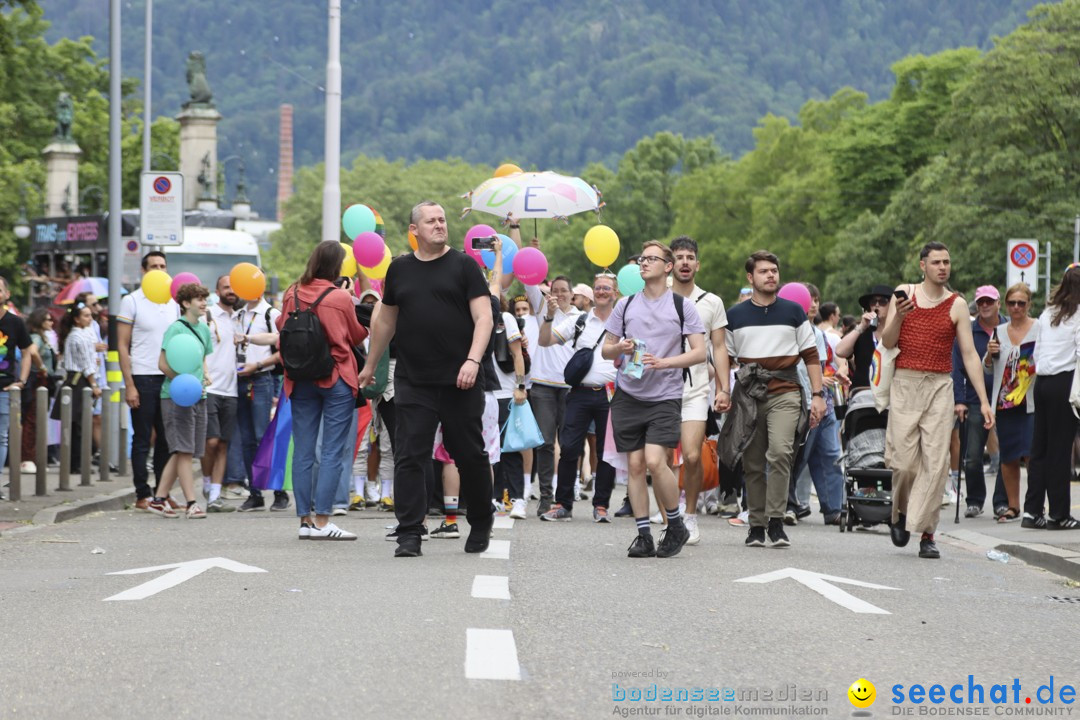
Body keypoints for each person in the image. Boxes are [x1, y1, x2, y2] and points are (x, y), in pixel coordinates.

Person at [360, 201, 494, 558]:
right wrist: (371, 364)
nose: (439, 225)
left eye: (442, 220)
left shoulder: (465, 266)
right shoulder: (400, 269)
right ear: (414, 230)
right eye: (431, 221)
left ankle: (481, 520)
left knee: (468, 454)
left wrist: (472, 360)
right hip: (414, 378)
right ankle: (409, 532)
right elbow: (385, 321)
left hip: (460, 380)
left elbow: (484, 319)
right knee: (410, 454)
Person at [881, 242, 993, 559]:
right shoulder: (904, 293)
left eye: (946, 261)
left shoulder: (957, 304)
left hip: (940, 387)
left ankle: (928, 534)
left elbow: (969, 355)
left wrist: (983, 401)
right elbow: (888, 342)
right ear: (922, 266)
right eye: (936, 262)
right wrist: (898, 317)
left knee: (937, 463)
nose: (943, 267)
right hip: (905, 382)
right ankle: (900, 513)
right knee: (903, 464)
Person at [603, 241, 706, 559]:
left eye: (650, 259)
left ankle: (675, 523)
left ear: (667, 266)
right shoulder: (626, 304)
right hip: (629, 394)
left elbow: (700, 352)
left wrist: (665, 362)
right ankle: (644, 535)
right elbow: (606, 349)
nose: (643, 264)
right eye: (642, 259)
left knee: (653, 461)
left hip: (665, 396)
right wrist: (619, 349)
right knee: (634, 465)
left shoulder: (681, 306)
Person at [719, 252, 824, 550]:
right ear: (750, 278)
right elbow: (725, 357)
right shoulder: (735, 315)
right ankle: (756, 524)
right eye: (764, 271)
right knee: (751, 461)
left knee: (780, 452)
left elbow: (811, 355)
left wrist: (817, 395)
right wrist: (723, 391)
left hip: (786, 390)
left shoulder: (793, 311)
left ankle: (776, 521)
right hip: (749, 393)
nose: (771, 276)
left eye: (774, 271)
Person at [276, 241, 367, 540]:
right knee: (331, 451)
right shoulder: (340, 297)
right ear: (336, 265)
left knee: (302, 450)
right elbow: (356, 334)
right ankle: (323, 521)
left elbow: (281, 325)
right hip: (336, 377)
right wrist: (352, 301)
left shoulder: (292, 293)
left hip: (299, 378)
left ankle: (304, 520)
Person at [538, 273, 619, 523]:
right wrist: (550, 316)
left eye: (607, 288)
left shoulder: (625, 322)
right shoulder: (581, 320)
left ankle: (601, 505)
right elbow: (544, 341)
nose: (602, 291)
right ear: (593, 293)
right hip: (580, 393)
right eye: (598, 288)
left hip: (611, 395)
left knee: (606, 452)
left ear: (615, 293)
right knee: (570, 447)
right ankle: (563, 504)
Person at [667, 236, 729, 544]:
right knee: (662, 458)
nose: (685, 262)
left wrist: (724, 388)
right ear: (671, 263)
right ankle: (670, 514)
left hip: (695, 388)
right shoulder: (656, 296)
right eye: (679, 257)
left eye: (690, 257)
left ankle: (690, 515)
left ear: (697, 264)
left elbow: (719, 347)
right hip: (660, 387)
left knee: (691, 455)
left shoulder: (711, 302)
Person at [117, 251, 179, 510]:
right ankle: (141, 493)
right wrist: (129, 384)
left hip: (169, 377)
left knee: (167, 439)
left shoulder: (174, 301)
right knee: (143, 439)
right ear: (143, 271)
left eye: (163, 266)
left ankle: (161, 493)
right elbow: (122, 344)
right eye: (153, 266)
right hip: (143, 376)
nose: (159, 270)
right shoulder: (132, 301)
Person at [1022, 266, 1080, 530]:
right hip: (1063, 383)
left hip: (1042, 383)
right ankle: (1059, 514)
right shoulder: (1078, 314)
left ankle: (1032, 512)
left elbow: (1037, 351)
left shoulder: (1048, 313)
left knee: (1040, 449)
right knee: (1060, 450)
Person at [149, 283, 212, 519]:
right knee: (183, 451)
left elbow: (202, 358)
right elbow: (162, 364)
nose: (204, 303)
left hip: (200, 396)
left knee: (184, 451)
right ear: (186, 303)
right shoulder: (175, 329)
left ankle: (158, 498)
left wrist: (205, 374)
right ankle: (192, 502)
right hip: (177, 397)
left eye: (204, 298)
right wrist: (182, 382)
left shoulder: (203, 329)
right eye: (199, 299)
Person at [521, 273, 580, 515]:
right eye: (555, 290)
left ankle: (564, 496)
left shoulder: (580, 317)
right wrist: (517, 235)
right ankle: (545, 496)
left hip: (570, 387)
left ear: (572, 294)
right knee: (545, 443)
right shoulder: (543, 309)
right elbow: (526, 277)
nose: (559, 294)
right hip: (543, 386)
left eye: (564, 290)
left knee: (568, 445)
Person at [982, 283, 1037, 524]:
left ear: (1029, 305)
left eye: (1021, 303)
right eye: (1012, 303)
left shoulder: (1039, 329)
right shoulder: (999, 331)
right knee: (1009, 456)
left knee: (1032, 455)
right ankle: (1013, 505)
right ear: (1006, 305)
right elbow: (988, 368)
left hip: (1033, 401)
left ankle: (1035, 506)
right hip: (1005, 402)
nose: (1016, 307)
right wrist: (988, 354)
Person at [952, 285, 1006, 518]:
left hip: (1007, 398)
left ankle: (1002, 502)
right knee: (972, 456)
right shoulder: (967, 331)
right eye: (981, 302)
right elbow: (957, 369)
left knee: (1007, 454)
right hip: (974, 399)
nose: (984, 306)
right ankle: (974, 500)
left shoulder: (1009, 327)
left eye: (989, 301)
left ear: (998, 303)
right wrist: (959, 400)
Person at [234, 295, 288, 512]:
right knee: (247, 440)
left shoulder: (271, 314)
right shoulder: (238, 315)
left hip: (262, 380)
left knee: (264, 437)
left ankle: (279, 491)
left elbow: (281, 349)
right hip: (239, 380)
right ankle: (255, 493)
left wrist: (257, 365)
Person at [200, 275, 241, 512]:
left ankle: (215, 494)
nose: (231, 291)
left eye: (234, 287)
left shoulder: (240, 318)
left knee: (224, 443)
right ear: (218, 290)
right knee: (211, 441)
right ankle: (206, 483)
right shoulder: (209, 315)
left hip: (232, 389)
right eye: (226, 287)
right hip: (210, 387)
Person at [56, 302, 101, 474]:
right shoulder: (77, 336)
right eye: (86, 315)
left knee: (79, 425)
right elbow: (85, 365)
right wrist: (94, 384)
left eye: (90, 315)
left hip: (80, 381)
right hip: (78, 382)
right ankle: (76, 463)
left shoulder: (83, 334)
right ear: (76, 319)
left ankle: (78, 462)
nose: (89, 319)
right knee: (78, 426)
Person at [0, 276, 32, 492]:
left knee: (2, 437)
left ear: (6, 294)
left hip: (5, 387)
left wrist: (21, 381)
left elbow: (28, 351)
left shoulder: (15, 322)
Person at [834, 284, 892, 391]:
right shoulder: (862, 332)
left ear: (892, 305)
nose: (877, 305)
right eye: (873, 302)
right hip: (863, 393)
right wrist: (861, 326)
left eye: (882, 302)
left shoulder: (897, 331)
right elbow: (839, 351)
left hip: (891, 392)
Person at [20, 309, 56, 472]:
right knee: (32, 419)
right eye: (48, 320)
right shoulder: (36, 338)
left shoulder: (42, 338)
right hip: (37, 382)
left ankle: (33, 457)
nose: (51, 322)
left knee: (36, 419)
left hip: (41, 382)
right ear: (39, 321)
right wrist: (42, 367)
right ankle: (28, 458)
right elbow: (32, 351)